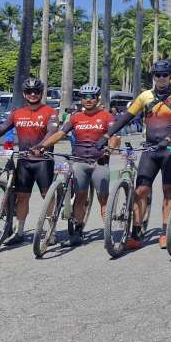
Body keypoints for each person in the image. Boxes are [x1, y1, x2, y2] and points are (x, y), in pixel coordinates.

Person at [95, 60, 171, 250]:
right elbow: (127, 117)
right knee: (140, 191)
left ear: (170, 76)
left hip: (169, 149)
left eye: (165, 75)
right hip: (150, 149)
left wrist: (169, 139)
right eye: (157, 75)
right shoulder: (145, 96)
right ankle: (136, 232)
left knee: (168, 191)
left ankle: (165, 232)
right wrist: (107, 135)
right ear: (153, 77)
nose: (161, 78)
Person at [0, 78, 58, 246]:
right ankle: (19, 231)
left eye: (36, 91)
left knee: (47, 196)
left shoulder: (50, 112)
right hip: (24, 161)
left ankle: (52, 231)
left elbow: (52, 131)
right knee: (22, 198)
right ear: (24, 94)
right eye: (29, 92)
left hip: (43, 160)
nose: (33, 94)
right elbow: (0, 129)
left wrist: (41, 146)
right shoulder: (17, 113)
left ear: (41, 93)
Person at [37, 84, 119, 246]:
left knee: (103, 199)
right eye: (84, 97)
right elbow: (60, 133)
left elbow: (114, 136)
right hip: (79, 161)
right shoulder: (75, 117)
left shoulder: (107, 116)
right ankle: (77, 232)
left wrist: (110, 149)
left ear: (97, 98)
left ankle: (108, 234)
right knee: (80, 197)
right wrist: (43, 145)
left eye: (92, 97)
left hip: (99, 162)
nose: (88, 100)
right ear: (80, 99)